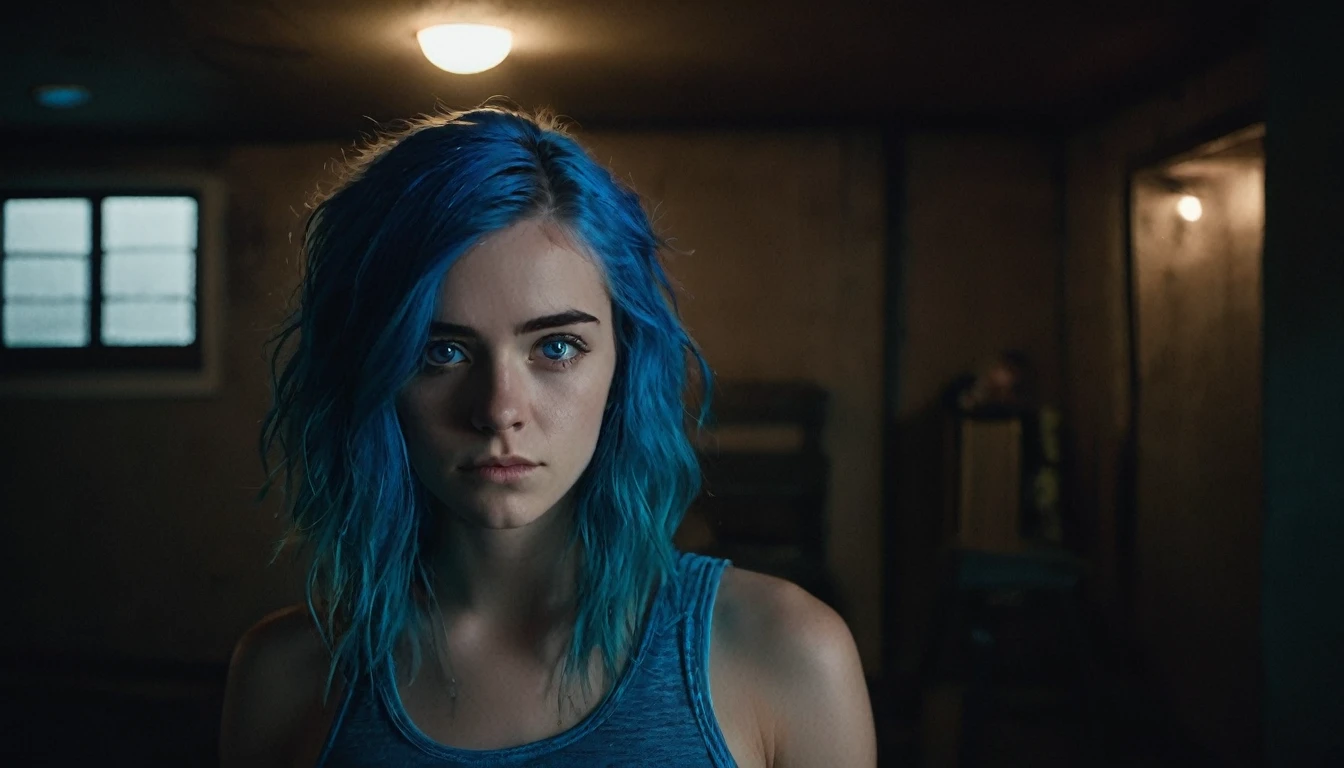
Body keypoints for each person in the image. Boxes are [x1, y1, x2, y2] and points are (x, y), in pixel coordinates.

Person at [219, 107, 876, 767]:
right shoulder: (287, 677)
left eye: (556, 346)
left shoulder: (785, 654)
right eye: (439, 351)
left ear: (625, 360)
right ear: (369, 369)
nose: (500, 409)